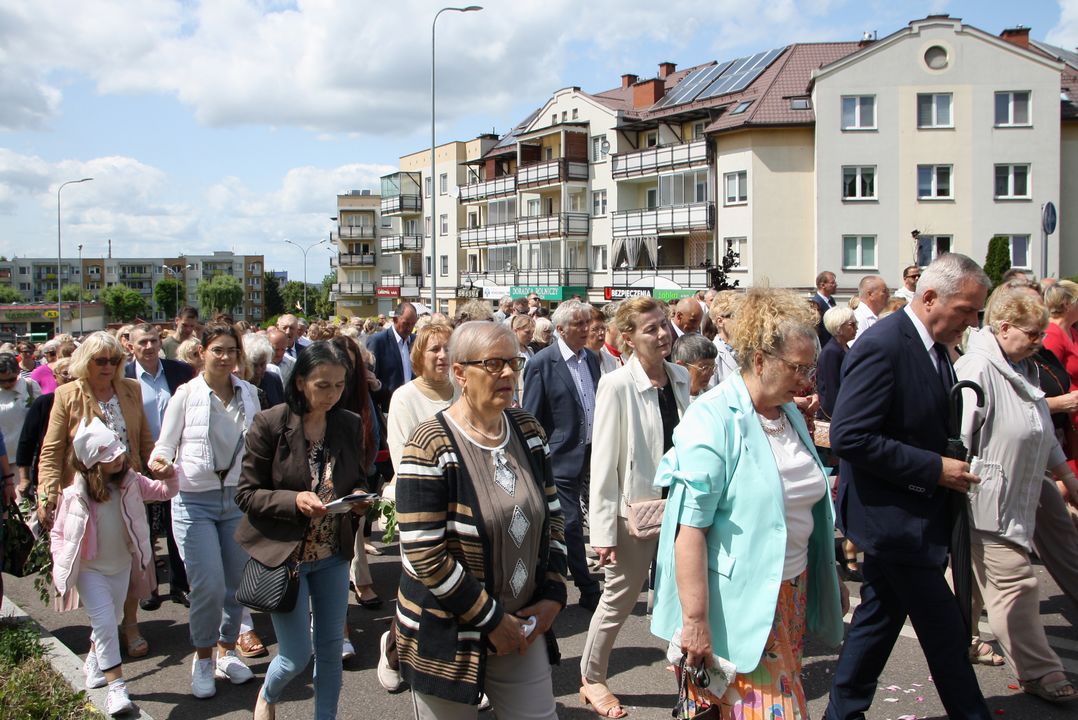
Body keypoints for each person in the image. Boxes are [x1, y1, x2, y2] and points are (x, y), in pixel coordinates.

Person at [652, 287, 846, 719]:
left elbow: (801, 509)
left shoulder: (787, 413)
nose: (807, 380)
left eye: (810, 368)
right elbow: (690, 531)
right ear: (760, 360)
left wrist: (828, 575)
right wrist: (695, 622)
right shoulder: (713, 418)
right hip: (735, 605)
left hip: (789, 593)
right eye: (798, 368)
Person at [824, 253, 992, 720]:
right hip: (894, 521)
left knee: (877, 622)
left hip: (914, 517)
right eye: (966, 310)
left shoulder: (934, 346)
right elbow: (850, 436)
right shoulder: (884, 344)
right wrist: (934, 468)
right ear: (931, 297)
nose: (972, 321)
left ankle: (842, 713)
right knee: (946, 632)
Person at [395, 321, 566, 719]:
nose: (507, 373)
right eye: (493, 364)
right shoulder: (429, 444)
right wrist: (491, 620)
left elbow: (553, 518)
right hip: (447, 632)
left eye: (513, 362)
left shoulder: (528, 430)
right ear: (460, 373)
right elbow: (425, 555)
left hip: (522, 624)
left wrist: (553, 594)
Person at [236, 341, 370, 720]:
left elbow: (357, 478)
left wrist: (360, 497)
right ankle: (268, 693)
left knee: (330, 651)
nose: (332, 395)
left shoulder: (348, 423)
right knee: (295, 656)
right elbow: (246, 494)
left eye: (339, 386)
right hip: (286, 558)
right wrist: (294, 500)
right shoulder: (270, 423)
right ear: (300, 382)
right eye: (322, 385)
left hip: (332, 554)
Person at [956, 288, 1078, 701]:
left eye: (1042, 333)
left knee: (970, 578)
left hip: (1026, 482)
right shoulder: (977, 367)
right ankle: (1040, 671)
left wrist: (1067, 477)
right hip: (988, 493)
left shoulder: (1021, 366)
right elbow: (959, 438)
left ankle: (959, 637)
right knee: (1015, 582)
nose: (1039, 341)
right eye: (1032, 333)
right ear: (1004, 328)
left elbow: (1040, 428)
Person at [581, 298, 690, 718]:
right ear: (627, 337)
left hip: (682, 507)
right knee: (619, 599)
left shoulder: (680, 376)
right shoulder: (617, 384)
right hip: (635, 514)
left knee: (687, 594)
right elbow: (604, 464)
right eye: (651, 329)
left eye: (664, 325)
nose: (663, 334)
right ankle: (592, 678)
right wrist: (603, 533)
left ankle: (690, 673)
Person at [150, 322, 261, 699]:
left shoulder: (249, 394)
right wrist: (161, 463)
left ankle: (226, 652)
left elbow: (259, 445)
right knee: (208, 586)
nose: (225, 357)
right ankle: (202, 658)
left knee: (236, 586)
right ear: (201, 353)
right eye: (218, 350)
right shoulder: (185, 395)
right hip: (194, 501)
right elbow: (164, 446)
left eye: (232, 350)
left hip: (236, 499)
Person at [37, 332, 156, 658]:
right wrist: (47, 493)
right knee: (96, 561)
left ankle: (130, 623)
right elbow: (52, 449)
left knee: (131, 557)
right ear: (85, 362)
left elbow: (144, 441)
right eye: (101, 360)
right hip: (88, 494)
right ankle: (102, 627)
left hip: (128, 488)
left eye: (115, 360)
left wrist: (160, 468)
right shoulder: (67, 394)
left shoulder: (131, 389)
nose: (108, 367)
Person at [50, 417, 178, 716]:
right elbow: (58, 533)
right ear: (93, 464)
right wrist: (61, 559)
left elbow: (164, 492)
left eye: (119, 452)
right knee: (106, 623)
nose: (120, 459)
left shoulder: (131, 482)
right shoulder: (74, 496)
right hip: (89, 570)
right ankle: (117, 688)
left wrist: (171, 474)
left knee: (114, 618)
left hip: (121, 565)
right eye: (110, 456)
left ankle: (95, 659)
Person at [523, 299, 602, 611]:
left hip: (591, 452)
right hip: (560, 457)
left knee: (587, 518)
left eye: (587, 323)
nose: (586, 329)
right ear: (560, 329)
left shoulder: (591, 358)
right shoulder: (542, 363)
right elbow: (531, 418)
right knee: (570, 523)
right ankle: (586, 586)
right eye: (578, 324)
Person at [124, 323, 195, 612]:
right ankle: (149, 588)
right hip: (138, 463)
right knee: (142, 529)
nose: (149, 347)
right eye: (142, 342)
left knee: (175, 525)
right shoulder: (123, 376)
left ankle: (180, 585)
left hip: (175, 460)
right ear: (130, 346)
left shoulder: (180, 372)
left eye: (154, 341)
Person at [386, 323, 454, 472]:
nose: (443, 355)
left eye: (448, 349)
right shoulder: (404, 398)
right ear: (420, 356)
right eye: (435, 349)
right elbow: (400, 455)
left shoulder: (464, 391)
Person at [15, 358, 74, 500]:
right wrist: (24, 478)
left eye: (75, 373)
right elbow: (27, 440)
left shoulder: (87, 401)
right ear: (55, 377)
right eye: (65, 373)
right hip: (50, 472)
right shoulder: (43, 403)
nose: (71, 378)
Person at [367, 302, 419, 413]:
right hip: (387, 408)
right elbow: (371, 378)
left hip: (413, 406)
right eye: (406, 324)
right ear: (395, 320)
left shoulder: (416, 341)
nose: (410, 328)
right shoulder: (378, 341)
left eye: (413, 324)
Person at [816, 307, 857, 421]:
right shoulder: (831, 352)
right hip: (834, 414)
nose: (856, 328)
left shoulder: (844, 347)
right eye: (852, 325)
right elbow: (832, 388)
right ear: (839, 328)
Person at [0, 353, 40, 463]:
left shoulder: (30, 386)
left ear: (18, 372)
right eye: (1, 381)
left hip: (25, 456)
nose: (6, 384)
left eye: (11, 379)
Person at [707, 291, 742, 388]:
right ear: (720, 321)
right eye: (737, 317)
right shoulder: (712, 356)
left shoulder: (748, 350)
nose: (743, 321)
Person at [243, 333, 285, 408]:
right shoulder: (238, 383)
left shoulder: (273, 379)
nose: (258, 371)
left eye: (262, 364)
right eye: (254, 365)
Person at [671, 333, 717, 401]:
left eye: (712, 367)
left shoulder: (713, 395)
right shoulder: (672, 400)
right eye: (705, 368)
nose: (711, 373)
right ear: (681, 367)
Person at [848, 275, 889, 346]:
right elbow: (855, 349)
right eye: (884, 291)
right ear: (870, 294)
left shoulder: (880, 316)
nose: (888, 295)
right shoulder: (858, 318)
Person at [587, 307, 619, 375]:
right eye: (595, 329)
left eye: (603, 328)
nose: (601, 332)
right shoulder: (580, 361)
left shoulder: (611, 360)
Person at [812, 271, 839, 347]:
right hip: (824, 345)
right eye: (832, 283)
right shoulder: (816, 303)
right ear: (823, 285)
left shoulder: (831, 300)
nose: (835, 285)